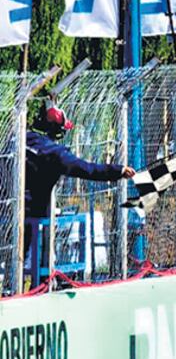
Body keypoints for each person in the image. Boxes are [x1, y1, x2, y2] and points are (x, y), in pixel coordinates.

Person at [24, 104, 135, 257]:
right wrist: (118, 171)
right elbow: (88, 169)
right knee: (26, 252)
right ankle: (38, 279)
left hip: (8, 206)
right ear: (58, 132)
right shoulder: (57, 155)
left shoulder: (21, 138)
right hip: (30, 212)